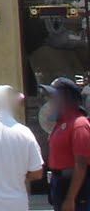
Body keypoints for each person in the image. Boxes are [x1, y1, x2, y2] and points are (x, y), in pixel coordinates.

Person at [46, 78, 90, 211]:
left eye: (52, 96)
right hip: (59, 184)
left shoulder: (79, 124)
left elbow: (81, 164)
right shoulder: (61, 123)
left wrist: (71, 198)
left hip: (74, 188)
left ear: (65, 98)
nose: (49, 100)